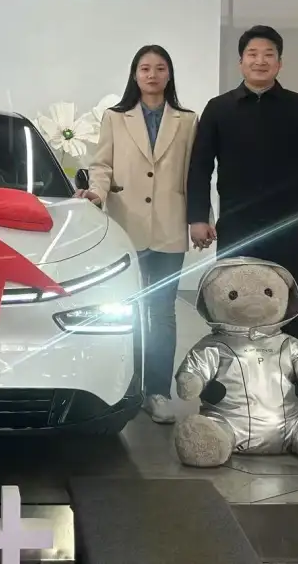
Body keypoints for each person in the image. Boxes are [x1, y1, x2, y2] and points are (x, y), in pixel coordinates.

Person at [186, 25, 298, 345]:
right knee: (230, 304)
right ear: (241, 62)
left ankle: (293, 376)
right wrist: (198, 217)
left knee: (289, 306)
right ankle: (230, 376)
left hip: (288, 228)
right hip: (236, 227)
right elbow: (199, 167)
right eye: (252, 54)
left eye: (269, 54)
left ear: (280, 63)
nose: (260, 61)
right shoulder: (219, 108)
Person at [76, 45, 198, 423]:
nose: (152, 75)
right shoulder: (116, 118)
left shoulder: (187, 120)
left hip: (169, 226)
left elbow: (195, 174)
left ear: (169, 74)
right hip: (126, 226)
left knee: (161, 312)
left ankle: (157, 392)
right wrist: (96, 194)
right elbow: (102, 165)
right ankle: (125, 386)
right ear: (134, 74)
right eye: (145, 68)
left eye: (160, 68)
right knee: (124, 310)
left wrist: (199, 217)